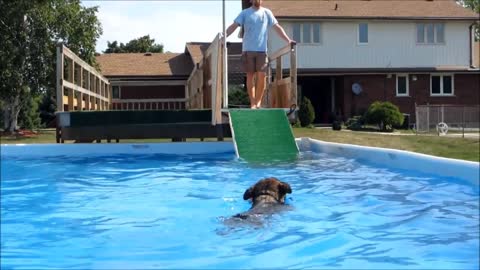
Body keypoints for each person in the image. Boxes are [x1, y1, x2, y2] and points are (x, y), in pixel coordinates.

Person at [225, 0, 295, 109]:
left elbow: (277, 27)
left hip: (262, 51)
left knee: (262, 76)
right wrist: (223, 36)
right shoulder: (245, 13)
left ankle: (258, 102)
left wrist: (288, 40)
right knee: (250, 76)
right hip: (248, 50)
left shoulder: (267, 13)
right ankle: (252, 102)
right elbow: (234, 26)